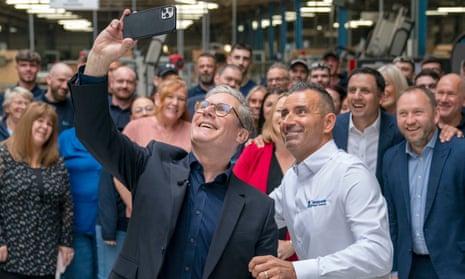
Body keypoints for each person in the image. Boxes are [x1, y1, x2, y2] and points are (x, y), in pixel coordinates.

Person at [69, 12, 278, 279]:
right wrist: (98, 61)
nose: (207, 112)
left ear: (241, 134)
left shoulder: (258, 209)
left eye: (222, 108)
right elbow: (93, 132)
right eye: (204, 106)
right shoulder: (152, 165)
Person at [248, 82, 392, 279]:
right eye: (284, 114)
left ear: (328, 123)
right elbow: (258, 216)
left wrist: (297, 270)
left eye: (301, 112)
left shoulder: (350, 174)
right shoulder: (292, 178)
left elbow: (378, 254)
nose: (288, 122)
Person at [383, 86, 465, 279]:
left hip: (455, 268)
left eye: (418, 112)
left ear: (436, 114)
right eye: (403, 114)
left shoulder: (460, 153)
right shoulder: (391, 159)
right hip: (410, 269)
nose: (410, 121)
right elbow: (392, 220)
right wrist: (394, 269)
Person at [0, 101, 74, 278]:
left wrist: (66, 242)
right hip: (9, 254)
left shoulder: (56, 162)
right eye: (39, 121)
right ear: (27, 123)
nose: (44, 127)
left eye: (50, 124)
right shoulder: (3, 154)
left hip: (45, 257)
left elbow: (67, 205)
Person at [235, 94, 297, 260]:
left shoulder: (311, 158)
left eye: (294, 111)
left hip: (301, 261)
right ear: (270, 117)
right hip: (253, 255)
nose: (286, 117)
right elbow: (231, 199)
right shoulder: (254, 150)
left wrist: (293, 245)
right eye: (281, 111)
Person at [333, 67, 404, 191]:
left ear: (381, 97)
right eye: (352, 90)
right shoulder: (332, 128)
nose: (357, 96)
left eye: (365, 91)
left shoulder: (398, 129)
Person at [59, 127, 102, 279]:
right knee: (80, 275)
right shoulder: (66, 137)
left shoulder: (109, 134)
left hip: (106, 224)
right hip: (76, 224)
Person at [36, 62, 75, 132]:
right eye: (61, 80)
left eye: (69, 82)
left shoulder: (75, 108)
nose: (65, 86)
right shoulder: (34, 105)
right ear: (49, 79)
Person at [107, 65, 137, 131]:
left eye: (129, 82)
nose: (124, 86)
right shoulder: (101, 105)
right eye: (120, 81)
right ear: (111, 84)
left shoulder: (142, 107)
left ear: (135, 85)